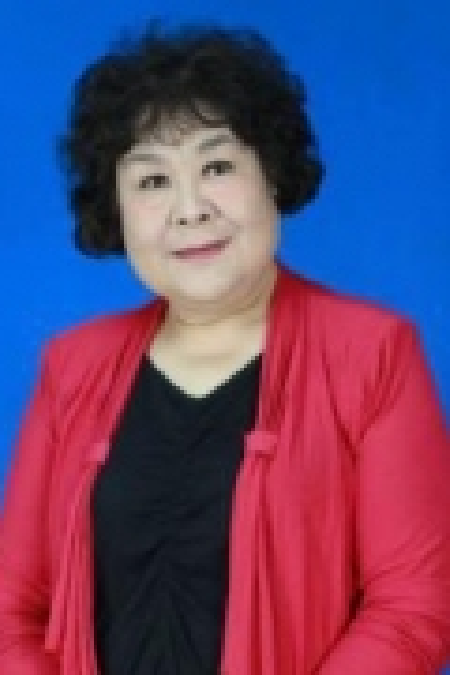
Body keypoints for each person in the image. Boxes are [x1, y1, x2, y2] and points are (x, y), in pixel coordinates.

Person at [1, 20, 449, 675]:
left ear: (272, 175)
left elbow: (413, 608)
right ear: (116, 209)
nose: (190, 209)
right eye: (152, 181)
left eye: (216, 166)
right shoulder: (72, 366)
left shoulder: (373, 352)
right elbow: (11, 609)